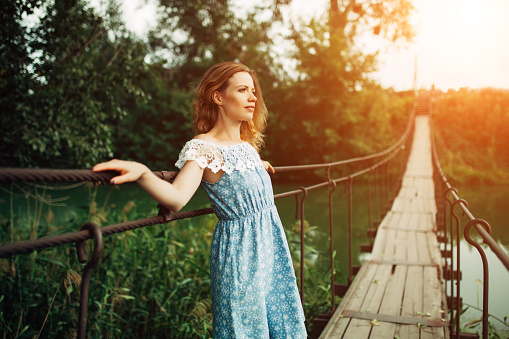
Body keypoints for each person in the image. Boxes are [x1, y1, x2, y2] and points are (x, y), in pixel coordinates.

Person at [93, 62, 307, 338]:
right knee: (247, 330)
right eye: (242, 90)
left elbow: (239, 174)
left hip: (271, 248)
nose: (253, 97)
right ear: (218, 97)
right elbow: (178, 198)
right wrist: (143, 173)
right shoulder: (204, 147)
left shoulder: (247, 146)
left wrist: (257, 166)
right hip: (241, 256)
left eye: (253, 91)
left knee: (279, 323)